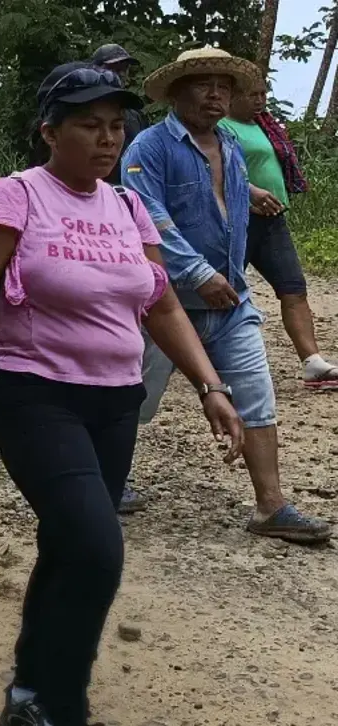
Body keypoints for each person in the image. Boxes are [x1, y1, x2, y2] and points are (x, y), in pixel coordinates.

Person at [0, 62, 243, 726]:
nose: (107, 139)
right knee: (99, 548)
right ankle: (61, 703)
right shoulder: (14, 197)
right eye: (89, 125)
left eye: (116, 126)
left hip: (115, 400)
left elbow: (161, 308)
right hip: (34, 394)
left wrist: (210, 384)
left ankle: (27, 691)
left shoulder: (127, 206)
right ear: (50, 132)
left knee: (67, 546)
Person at [122, 47, 331, 542]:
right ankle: (108, 478)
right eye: (202, 83)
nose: (215, 94)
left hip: (230, 300)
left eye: (223, 85)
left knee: (257, 400)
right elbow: (148, 216)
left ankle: (271, 506)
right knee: (132, 401)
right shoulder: (148, 149)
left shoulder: (231, 144)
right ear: (175, 92)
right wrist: (196, 271)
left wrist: (251, 195)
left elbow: (222, 197)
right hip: (165, 303)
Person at [221, 75, 338, 388]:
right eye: (253, 94)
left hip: (273, 221)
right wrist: (248, 196)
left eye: (264, 93)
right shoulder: (221, 129)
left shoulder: (264, 124)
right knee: (223, 290)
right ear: (233, 97)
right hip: (236, 220)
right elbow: (215, 171)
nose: (261, 100)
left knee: (293, 287)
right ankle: (192, 356)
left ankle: (312, 362)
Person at [91, 44, 149, 184]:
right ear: (95, 70)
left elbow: (142, 159)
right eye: (114, 69)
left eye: (124, 69)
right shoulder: (79, 112)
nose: (121, 74)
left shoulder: (135, 116)